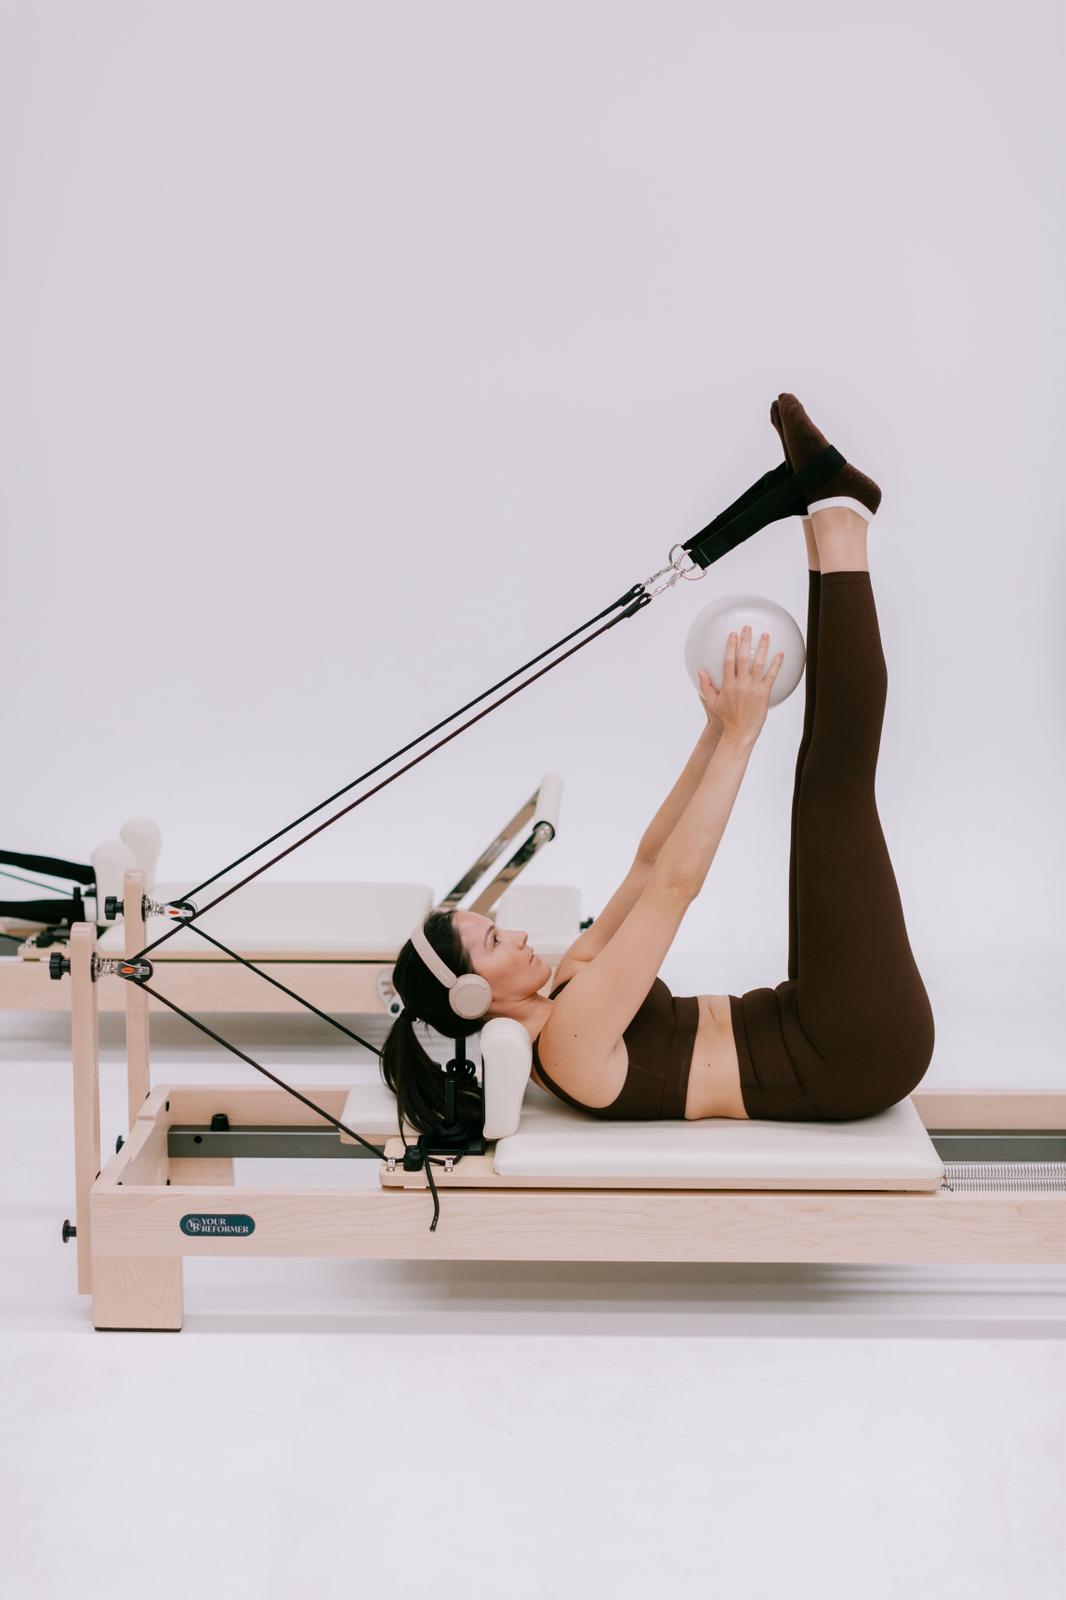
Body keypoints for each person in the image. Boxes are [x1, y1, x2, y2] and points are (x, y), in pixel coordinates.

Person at [380, 393, 935, 1136]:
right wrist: (741, 741)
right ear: (473, 998)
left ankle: (826, 523)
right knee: (833, 791)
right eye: (490, 942)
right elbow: (676, 891)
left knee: (820, 783)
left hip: (811, 1019)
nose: (511, 932)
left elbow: (648, 866)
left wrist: (714, 734)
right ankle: (839, 525)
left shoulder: (569, 983)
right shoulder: (569, 1046)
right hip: (850, 1051)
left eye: (494, 924)